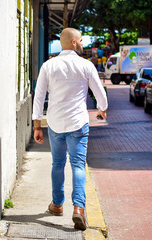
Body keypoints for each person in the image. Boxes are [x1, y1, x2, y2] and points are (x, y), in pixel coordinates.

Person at [32, 28, 108, 230]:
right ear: (74, 42)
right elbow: (99, 93)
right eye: (81, 40)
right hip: (78, 123)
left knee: (57, 163)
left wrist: (37, 125)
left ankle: (57, 205)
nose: (83, 43)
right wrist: (101, 110)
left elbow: (39, 96)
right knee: (77, 164)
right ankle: (79, 209)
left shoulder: (48, 66)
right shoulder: (86, 65)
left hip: (55, 123)